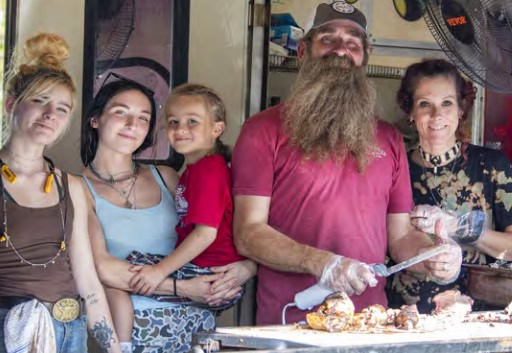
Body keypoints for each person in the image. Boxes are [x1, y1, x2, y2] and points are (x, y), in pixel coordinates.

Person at [231, 1, 463, 325]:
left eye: (353, 42)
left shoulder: (389, 139)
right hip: (289, 321)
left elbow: (400, 239)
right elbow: (248, 232)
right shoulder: (262, 131)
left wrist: (433, 257)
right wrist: (321, 262)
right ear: (302, 51)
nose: (341, 49)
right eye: (328, 38)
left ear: (364, 57)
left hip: (369, 324)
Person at [80, 76, 254, 353]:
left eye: (143, 118)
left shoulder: (170, 177)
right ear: (95, 120)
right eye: (120, 112)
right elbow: (103, 268)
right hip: (135, 333)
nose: (132, 125)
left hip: (197, 329)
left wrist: (247, 268)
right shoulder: (77, 187)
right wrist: (183, 288)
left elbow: (228, 226)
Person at [0, 33, 121, 353]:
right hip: (9, 330)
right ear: (11, 104)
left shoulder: (73, 186)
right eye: (39, 101)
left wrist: (114, 349)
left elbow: (88, 281)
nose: (51, 114)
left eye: (63, 108)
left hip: (70, 332)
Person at [388, 58, 512, 313]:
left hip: (478, 316)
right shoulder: (394, 169)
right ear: (410, 111)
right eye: (425, 104)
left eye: (447, 103)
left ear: (461, 110)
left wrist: (463, 227)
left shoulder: (492, 166)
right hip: (406, 316)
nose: (437, 115)